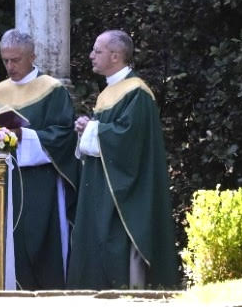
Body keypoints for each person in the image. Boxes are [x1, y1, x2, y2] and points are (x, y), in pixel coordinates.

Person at [68, 30, 177, 290]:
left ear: (115, 56)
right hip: (102, 186)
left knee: (115, 245)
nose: (91, 56)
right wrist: (89, 127)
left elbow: (129, 141)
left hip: (122, 192)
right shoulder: (111, 91)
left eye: (97, 51)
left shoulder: (136, 92)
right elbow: (112, 132)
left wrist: (93, 130)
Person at [0, 28, 79, 290]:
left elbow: (63, 134)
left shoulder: (52, 90)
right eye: (5, 60)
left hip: (41, 182)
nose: (10, 66)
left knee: (42, 241)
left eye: (16, 60)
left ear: (32, 56)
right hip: (5, 181)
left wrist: (24, 136)